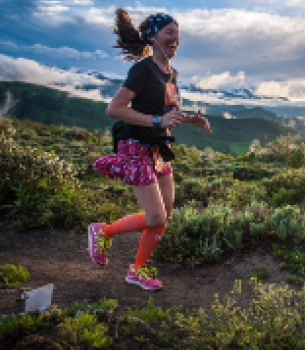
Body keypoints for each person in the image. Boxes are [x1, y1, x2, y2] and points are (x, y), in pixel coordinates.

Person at [88, 8, 211, 291]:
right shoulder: (143, 69)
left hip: (157, 148)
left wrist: (192, 119)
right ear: (153, 36)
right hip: (134, 145)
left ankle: (137, 270)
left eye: (177, 34)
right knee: (155, 216)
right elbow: (114, 109)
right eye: (169, 32)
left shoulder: (171, 73)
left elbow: (168, 110)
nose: (175, 38)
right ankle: (103, 231)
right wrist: (157, 120)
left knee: (164, 215)